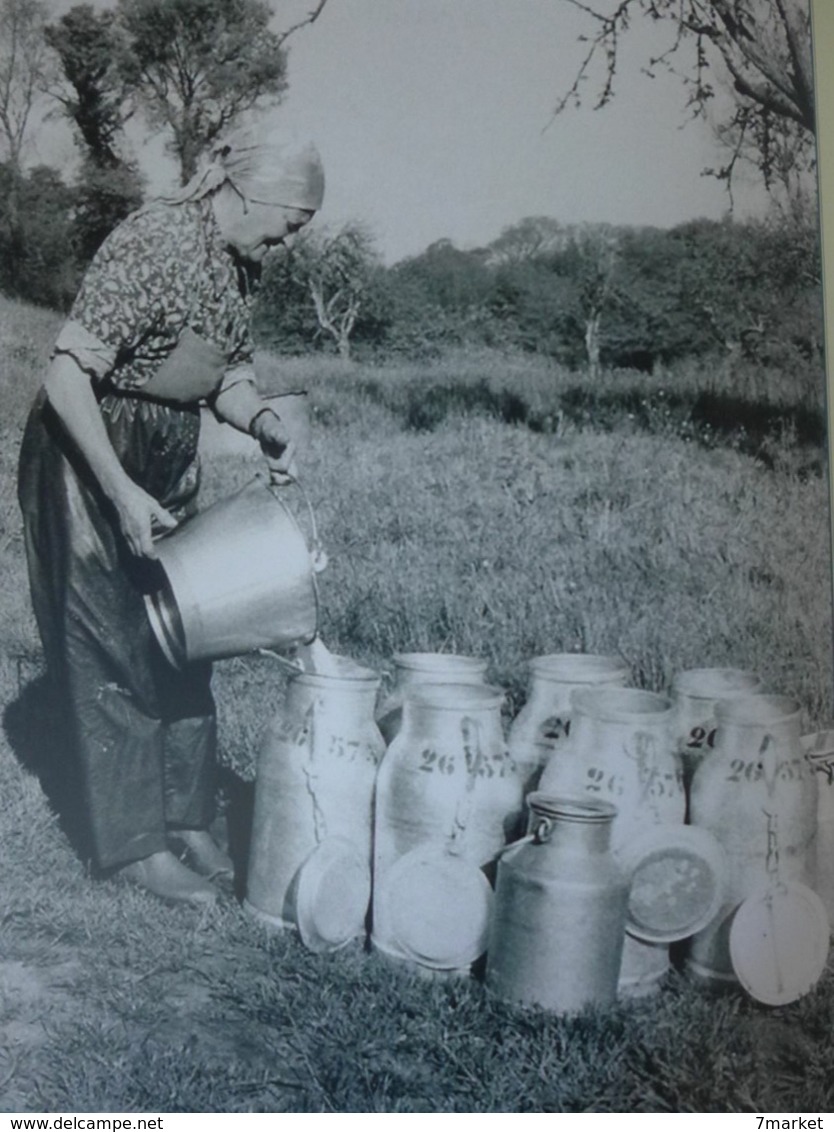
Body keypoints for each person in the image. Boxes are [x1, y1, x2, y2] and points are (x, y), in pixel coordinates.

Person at [17, 125, 324, 906]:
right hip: (89, 450)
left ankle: (187, 819)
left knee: (191, 634)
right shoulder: (154, 240)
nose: (288, 241)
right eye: (290, 223)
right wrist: (118, 490)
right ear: (249, 193)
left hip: (166, 449)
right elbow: (65, 376)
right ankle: (134, 847)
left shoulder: (238, 268)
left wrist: (262, 422)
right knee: (109, 644)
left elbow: (224, 376)